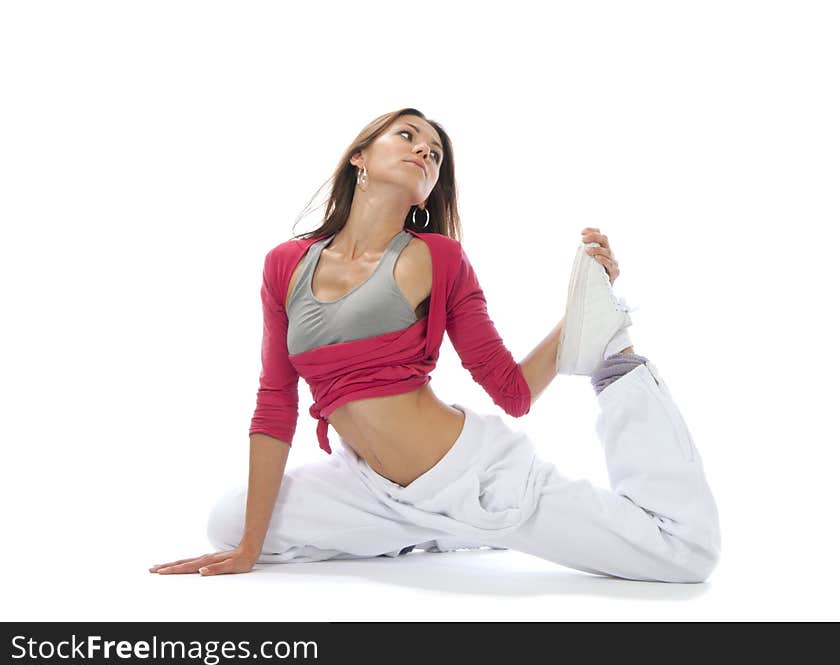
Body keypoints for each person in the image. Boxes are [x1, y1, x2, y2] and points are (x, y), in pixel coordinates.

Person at [149, 108, 721, 583]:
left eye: (435, 152)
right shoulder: (284, 265)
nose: (425, 150)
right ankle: (432, 530)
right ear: (359, 157)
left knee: (682, 553)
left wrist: (578, 317)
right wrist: (249, 549)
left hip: (476, 479)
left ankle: (616, 361)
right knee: (229, 521)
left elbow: (513, 393)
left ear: (430, 186)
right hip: (369, 488)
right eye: (408, 135)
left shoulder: (439, 258)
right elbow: (276, 400)